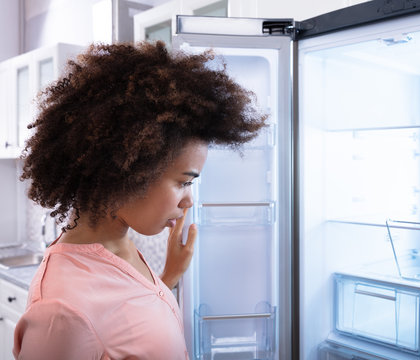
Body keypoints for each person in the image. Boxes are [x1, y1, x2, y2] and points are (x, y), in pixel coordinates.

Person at [13, 41, 266, 360]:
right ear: (124, 171)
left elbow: (123, 325)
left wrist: (168, 278)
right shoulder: (63, 311)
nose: (188, 201)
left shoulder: (119, 245)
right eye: (184, 182)